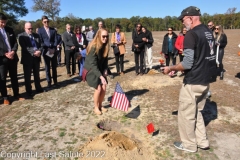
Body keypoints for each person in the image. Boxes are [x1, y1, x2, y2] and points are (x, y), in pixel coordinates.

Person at [161, 6, 217, 152]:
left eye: (183, 19)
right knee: (197, 112)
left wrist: (171, 68)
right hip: (205, 81)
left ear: (191, 17)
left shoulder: (191, 34)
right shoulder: (208, 31)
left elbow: (187, 63)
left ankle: (189, 145)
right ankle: (202, 142)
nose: (182, 22)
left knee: (186, 115)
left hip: (193, 82)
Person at [0, 13, 24, 105]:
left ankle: (17, 94)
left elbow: (15, 43)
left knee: (14, 77)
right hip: (2, 60)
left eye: (5, 22)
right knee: (2, 78)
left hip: (13, 58)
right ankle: (5, 97)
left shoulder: (9, 30)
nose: (3, 24)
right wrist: (5, 53)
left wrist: (13, 51)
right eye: (2, 22)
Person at [84, 29, 109, 115]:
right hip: (91, 70)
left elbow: (105, 61)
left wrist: (105, 69)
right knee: (98, 88)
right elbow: (93, 65)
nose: (105, 38)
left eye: (107, 36)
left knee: (104, 87)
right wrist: (101, 77)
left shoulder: (106, 46)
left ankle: (100, 105)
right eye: (103, 36)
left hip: (100, 69)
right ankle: (96, 107)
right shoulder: (93, 47)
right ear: (98, 36)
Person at [18, 22, 45, 96]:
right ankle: (29, 90)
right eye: (29, 28)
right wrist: (34, 52)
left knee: (37, 74)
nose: (30, 30)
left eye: (31, 28)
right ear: (25, 28)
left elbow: (41, 44)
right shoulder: (21, 36)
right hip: (27, 59)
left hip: (36, 58)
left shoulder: (36, 35)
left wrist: (39, 51)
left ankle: (38, 88)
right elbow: (25, 47)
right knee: (27, 76)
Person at [38, 16, 58, 88]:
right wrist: (48, 49)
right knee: (47, 68)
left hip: (53, 51)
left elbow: (56, 40)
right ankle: (49, 82)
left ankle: (55, 81)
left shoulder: (53, 30)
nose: (46, 23)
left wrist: (54, 49)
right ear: (42, 22)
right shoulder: (40, 30)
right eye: (45, 22)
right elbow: (41, 41)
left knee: (54, 67)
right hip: (46, 51)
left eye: (47, 21)